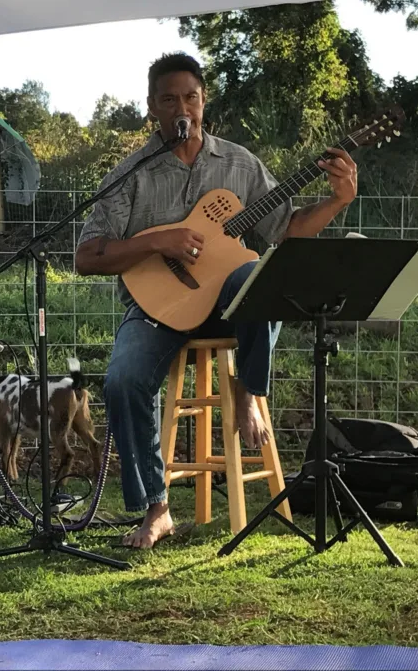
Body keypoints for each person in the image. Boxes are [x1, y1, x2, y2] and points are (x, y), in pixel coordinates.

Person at [75, 52, 358, 549]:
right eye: (169, 99)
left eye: (190, 97)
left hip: (231, 309)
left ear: (204, 102)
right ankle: (156, 509)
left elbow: (287, 231)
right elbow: (87, 255)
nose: (181, 107)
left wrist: (336, 201)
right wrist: (155, 242)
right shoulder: (130, 174)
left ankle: (247, 393)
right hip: (157, 311)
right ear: (151, 108)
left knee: (256, 273)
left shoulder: (240, 164)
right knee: (122, 380)